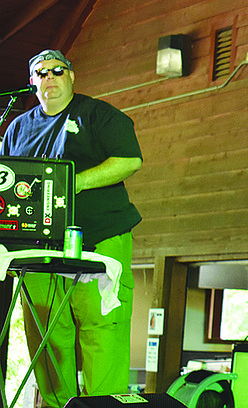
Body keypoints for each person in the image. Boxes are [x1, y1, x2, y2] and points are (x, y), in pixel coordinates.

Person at [1, 49, 142, 407]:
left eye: (57, 71)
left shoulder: (98, 115)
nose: (50, 78)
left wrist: (74, 182)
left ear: (72, 75)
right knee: (47, 338)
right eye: (41, 73)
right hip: (37, 249)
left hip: (98, 239)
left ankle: (104, 404)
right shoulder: (17, 128)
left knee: (101, 333)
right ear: (32, 82)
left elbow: (130, 160)